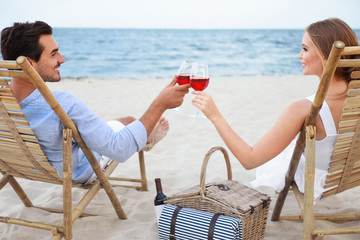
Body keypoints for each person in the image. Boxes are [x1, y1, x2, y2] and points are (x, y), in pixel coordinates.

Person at [1, 21, 191, 185]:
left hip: (31, 167)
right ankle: (147, 138)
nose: (62, 59)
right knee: (128, 122)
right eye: (53, 54)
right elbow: (119, 150)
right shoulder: (62, 105)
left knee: (123, 120)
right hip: (78, 171)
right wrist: (160, 104)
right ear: (29, 63)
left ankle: (146, 136)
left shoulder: (4, 102)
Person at [192, 18, 359, 200]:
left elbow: (249, 159)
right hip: (351, 175)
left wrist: (215, 116)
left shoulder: (304, 109)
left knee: (280, 155)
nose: (299, 55)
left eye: (304, 49)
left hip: (320, 180)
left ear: (325, 57)